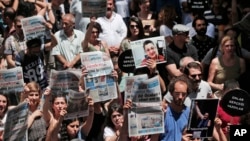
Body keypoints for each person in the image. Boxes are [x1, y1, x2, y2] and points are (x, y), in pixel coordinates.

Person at [160, 75, 192, 141]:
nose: (180, 97)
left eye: (183, 94)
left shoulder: (190, 114)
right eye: (177, 93)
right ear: (171, 93)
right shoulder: (164, 112)